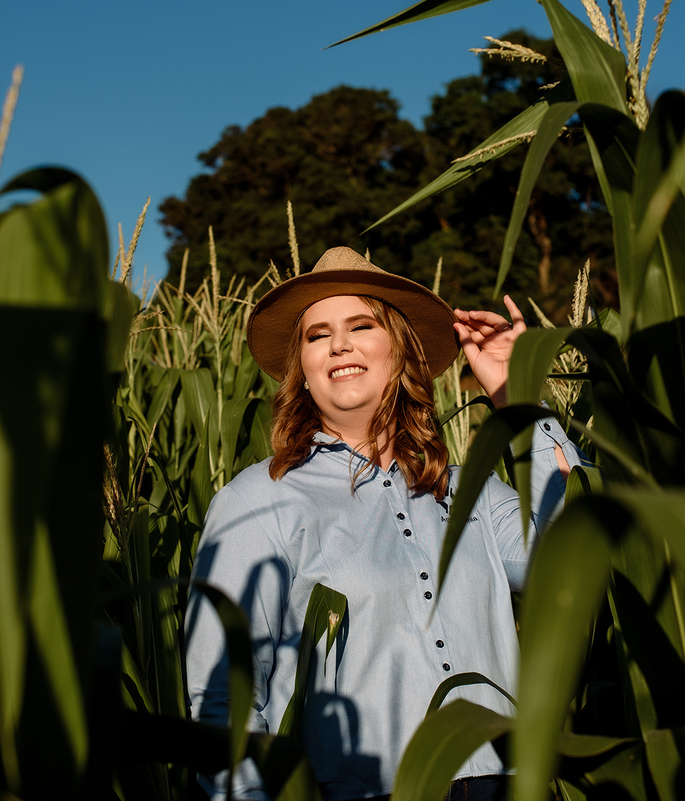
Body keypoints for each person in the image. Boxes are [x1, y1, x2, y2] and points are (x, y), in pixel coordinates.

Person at [184, 247, 580, 801]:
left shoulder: (471, 493)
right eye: (317, 335)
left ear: (401, 348)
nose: (339, 344)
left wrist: (518, 398)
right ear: (303, 367)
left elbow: (577, 555)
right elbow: (223, 697)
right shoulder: (259, 500)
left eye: (361, 325)